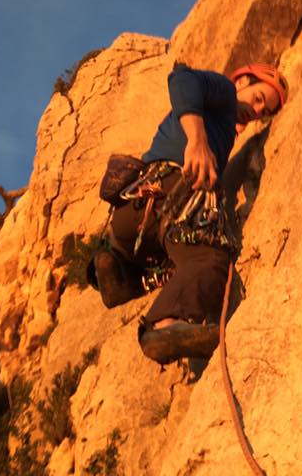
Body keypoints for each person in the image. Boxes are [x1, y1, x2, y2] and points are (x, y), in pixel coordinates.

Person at [89, 61, 288, 365]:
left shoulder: (221, 128)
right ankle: (163, 326)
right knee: (210, 260)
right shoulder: (222, 92)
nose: (257, 111)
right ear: (243, 80)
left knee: (171, 260)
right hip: (172, 195)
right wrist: (197, 141)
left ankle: (120, 270)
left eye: (264, 112)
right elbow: (181, 78)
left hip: (134, 213)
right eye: (259, 98)